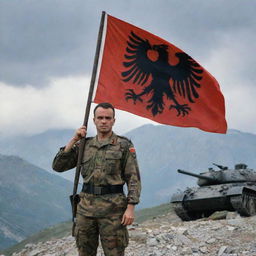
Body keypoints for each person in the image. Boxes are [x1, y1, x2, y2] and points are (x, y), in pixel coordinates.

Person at [52, 102, 141, 256]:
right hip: (86, 210)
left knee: (115, 253)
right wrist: (74, 140)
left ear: (114, 120)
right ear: (94, 120)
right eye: (100, 117)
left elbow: (133, 178)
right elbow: (58, 166)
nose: (104, 121)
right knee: (85, 252)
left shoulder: (124, 145)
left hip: (113, 211)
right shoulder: (84, 145)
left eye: (108, 118)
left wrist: (131, 207)